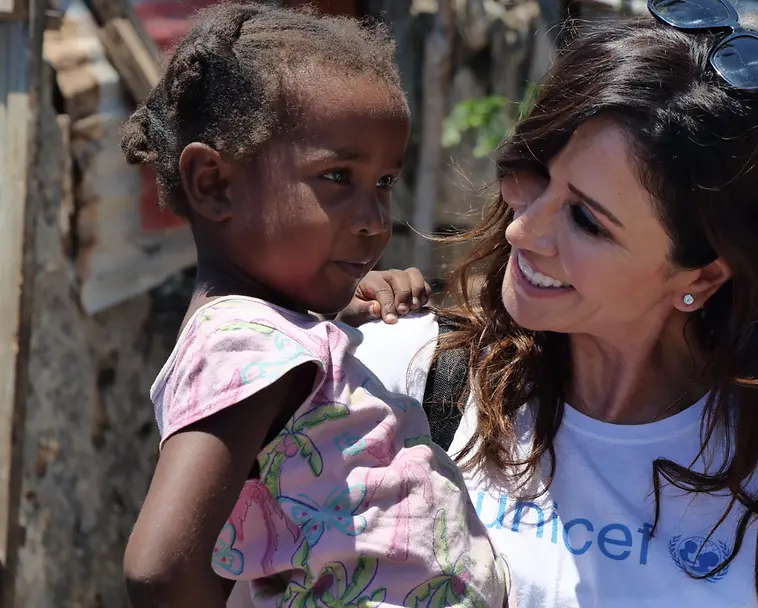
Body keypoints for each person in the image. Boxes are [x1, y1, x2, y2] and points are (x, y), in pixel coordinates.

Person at [349, 3, 758, 607]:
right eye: (536, 172)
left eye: (585, 219)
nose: (524, 231)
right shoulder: (402, 376)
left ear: (702, 277)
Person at [119, 4, 509, 607]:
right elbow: (162, 569)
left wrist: (337, 309)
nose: (375, 219)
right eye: (337, 178)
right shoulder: (238, 346)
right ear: (214, 184)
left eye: (383, 182)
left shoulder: (272, 338)